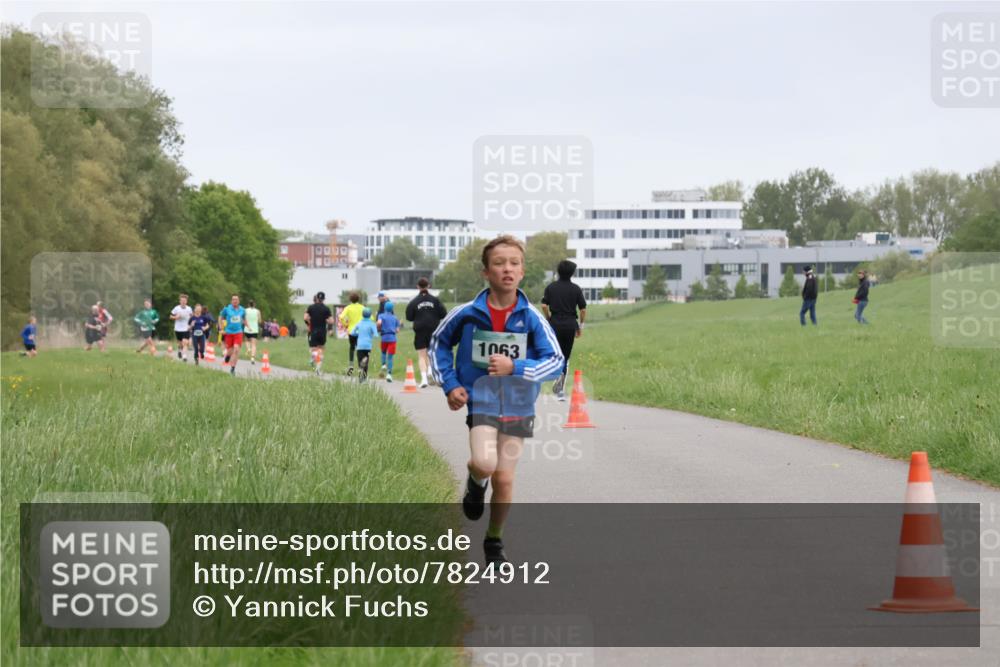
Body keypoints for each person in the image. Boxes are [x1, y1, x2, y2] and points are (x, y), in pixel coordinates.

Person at [430, 235, 563, 566]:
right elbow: (438, 344)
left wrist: (515, 366)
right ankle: (475, 482)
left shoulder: (532, 317)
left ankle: (494, 541)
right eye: (499, 263)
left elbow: (555, 361)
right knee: (485, 464)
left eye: (514, 263)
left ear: (522, 272)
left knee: (504, 478)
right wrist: (450, 384)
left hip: (518, 403)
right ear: (485, 272)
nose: (507, 269)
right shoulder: (467, 313)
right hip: (481, 400)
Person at [541, 260, 587, 401]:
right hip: (569, 325)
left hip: (554, 325)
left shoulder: (551, 287)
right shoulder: (576, 289)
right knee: (565, 357)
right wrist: (580, 325)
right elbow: (583, 309)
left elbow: (544, 305)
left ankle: (545, 379)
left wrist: (548, 318)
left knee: (553, 354)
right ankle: (559, 388)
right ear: (572, 273)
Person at [406, 277, 448, 388]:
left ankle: (424, 379)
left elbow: (409, 317)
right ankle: (430, 371)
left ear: (417, 287)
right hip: (434, 329)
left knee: (421, 355)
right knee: (431, 352)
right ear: (428, 286)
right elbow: (443, 314)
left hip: (420, 330)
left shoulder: (414, 301)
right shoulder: (435, 300)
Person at [304, 291, 334, 375]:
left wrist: (310, 321)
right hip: (322, 332)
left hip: (313, 331)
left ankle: (313, 358)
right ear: (324, 299)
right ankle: (318, 368)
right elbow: (331, 321)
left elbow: (305, 317)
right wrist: (326, 320)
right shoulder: (326, 308)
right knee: (320, 349)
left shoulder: (311, 307)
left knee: (313, 348)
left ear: (317, 298)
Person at [339, 292, 366, 376]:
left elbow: (341, 317)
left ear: (350, 299)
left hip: (351, 330)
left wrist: (345, 324)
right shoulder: (362, 307)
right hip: (361, 331)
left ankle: (351, 366)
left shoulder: (348, 308)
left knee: (352, 347)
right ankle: (360, 367)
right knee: (360, 349)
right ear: (358, 299)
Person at [220, 294, 246, 376]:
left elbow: (244, 319)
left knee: (236, 349)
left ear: (239, 301)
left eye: (236, 299)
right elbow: (220, 317)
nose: (235, 301)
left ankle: (233, 368)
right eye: (233, 299)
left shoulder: (242, 310)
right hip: (229, 332)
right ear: (231, 301)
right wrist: (221, 329)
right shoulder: (227, 309)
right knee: (230, 351)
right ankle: (227, 356)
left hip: (238, 332)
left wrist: (248, 326)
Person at [351, 307, 379, 383]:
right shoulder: (372, 324)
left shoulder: (359, 323)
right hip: (368, 346)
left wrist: (358, 333)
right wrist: (371, 334)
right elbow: (376, 335)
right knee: (366, 362)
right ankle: (364, 378)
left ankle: (360, 377)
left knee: (360, 362)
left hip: (360, 346)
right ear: (370, 315)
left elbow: (352, 333)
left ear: (362, 315)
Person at [377, 301, 401, 382]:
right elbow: (397, 330)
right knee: (390, 357)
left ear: (384, 308)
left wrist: (379, 329)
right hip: (392, 338)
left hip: (384, 337)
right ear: (392, 309)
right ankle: (389, 374)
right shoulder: (395, 318)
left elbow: (379, 323)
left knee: (383, 352)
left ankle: (383, 364)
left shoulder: (381, 315)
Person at [170, 293, 194, 362]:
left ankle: (184, 356)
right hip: (178, 329)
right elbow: (170, 316)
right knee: (180, 343)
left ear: (186, 301)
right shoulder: (176, 308)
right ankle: (180, 351)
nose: (183, 302)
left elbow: (192, 317)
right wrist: (175, 317)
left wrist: (192, 324)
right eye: (182, 300)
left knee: (185, 342)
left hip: (186, 328)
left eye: (184, 301)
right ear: (180, 301)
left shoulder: (189, 308)